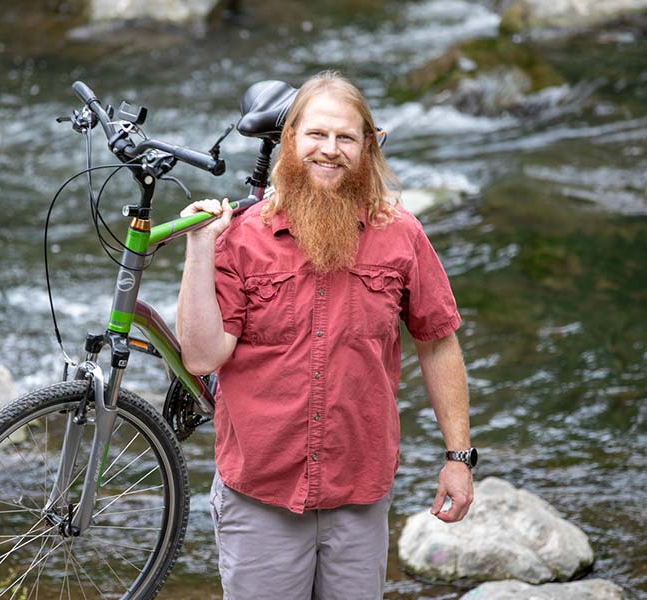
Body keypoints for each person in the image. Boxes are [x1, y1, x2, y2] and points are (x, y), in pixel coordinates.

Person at [176, 70, 474, 599]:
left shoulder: (400, 233)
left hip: (358, 499)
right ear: (290, 140)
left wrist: (458, 457)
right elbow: (202, 356)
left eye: (345, 138)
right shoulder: (240, 237)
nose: (329, 150)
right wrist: (199, 251)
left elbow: (437, 340)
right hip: (261, 499)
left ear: (368, 147)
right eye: (316, 134)